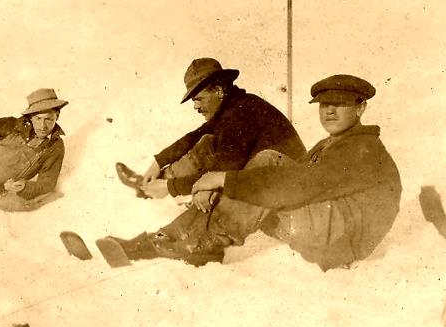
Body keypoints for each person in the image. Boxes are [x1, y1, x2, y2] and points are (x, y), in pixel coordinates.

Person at [83, 74, 401, 271]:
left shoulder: (363, 148)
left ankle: (182, 243)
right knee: (256, 174)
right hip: (330, 228)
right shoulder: (336, 143)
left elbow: (300, 185)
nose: (329, 111)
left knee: (267, 165)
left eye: (340, 104)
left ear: (360, 108)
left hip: (343, 241)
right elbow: (200, 136)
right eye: (323, 105)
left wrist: (221, 180)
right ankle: (185, 242)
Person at [116, 57, 306, 213]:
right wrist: (158, 161)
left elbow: (219, 175)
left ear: (219, 91)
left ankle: (157, 188)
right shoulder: (234, 106)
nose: (196, 106)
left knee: (210, 152)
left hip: (288, 199)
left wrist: (170, 187)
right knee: (206, 140)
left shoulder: (240, 115)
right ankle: (151, 185)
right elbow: (194, 136)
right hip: (264, 183)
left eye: (199, 99)